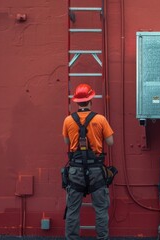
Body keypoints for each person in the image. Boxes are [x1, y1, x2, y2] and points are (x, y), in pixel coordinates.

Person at [62, 83, 114, 240]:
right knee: (100, 209)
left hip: (75, 170)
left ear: (77, 102)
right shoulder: (100, 119)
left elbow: (66, 142)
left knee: (72, 209)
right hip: (96, 170)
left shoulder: (68, 120)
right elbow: (110, 142)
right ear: (91, 100)